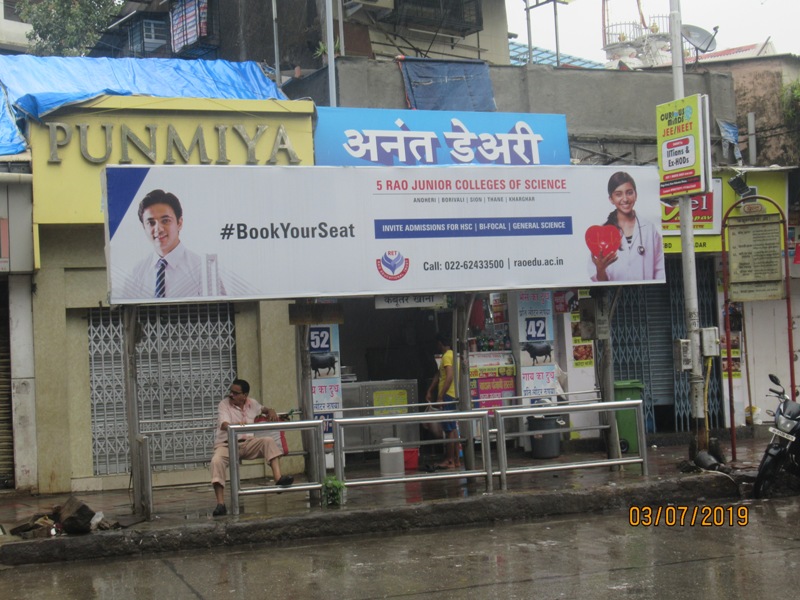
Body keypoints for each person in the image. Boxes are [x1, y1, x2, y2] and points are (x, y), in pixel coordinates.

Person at [117, 189, 227, 299]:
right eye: (151, 223)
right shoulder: (136, 273)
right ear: (144, 227)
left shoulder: (203, 270)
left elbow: (219, 312)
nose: (158, 229)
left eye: (165, 221)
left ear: (179, 223)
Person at [210, 378, 293, 516]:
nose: (232, 395)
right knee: (216, 461)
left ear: (245, 395)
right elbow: (224, 424)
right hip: (227, 444)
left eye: (236, 393)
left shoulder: (252, 404)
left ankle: (278, 479)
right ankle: (220, 504)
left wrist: (271, 411)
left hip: (248, 443)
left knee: (267, 441)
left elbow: (264, 409)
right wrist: (234, 425)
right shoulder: (224, 404)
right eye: (231, 392)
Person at [589, 171, 665, 282]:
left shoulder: (649, 228)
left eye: (629, 193)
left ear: (636, 195)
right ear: (611, 199)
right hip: (615, 295)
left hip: (645, 292)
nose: (625, 199)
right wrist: (600, 269)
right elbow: (599, 281)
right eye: (618, 194)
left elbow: (659, 270)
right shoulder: (601, 233)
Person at [425, 332, 460, 469]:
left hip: (448, 396)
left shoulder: (446, 357)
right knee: (453, 428)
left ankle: (450, 460)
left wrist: (440, 396)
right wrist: (430, 390)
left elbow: (449, 376)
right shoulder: (452, 355)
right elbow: (439, 375)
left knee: (449, 429)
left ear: (440, 343)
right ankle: (456, 460)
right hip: (452, 395)